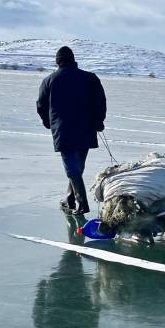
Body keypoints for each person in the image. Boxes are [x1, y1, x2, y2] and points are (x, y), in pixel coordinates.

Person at [36, 46, 106, 215]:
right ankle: (69, 199)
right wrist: (98, 121)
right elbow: (100, 102)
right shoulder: (90, 78)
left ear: (57, 61)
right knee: (78, 166)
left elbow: (41, 105)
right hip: (86, 128)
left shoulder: (49, 80)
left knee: (72, 168)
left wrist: (48, 123)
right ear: (73, 60)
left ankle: (82, 204)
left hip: (63, 130)